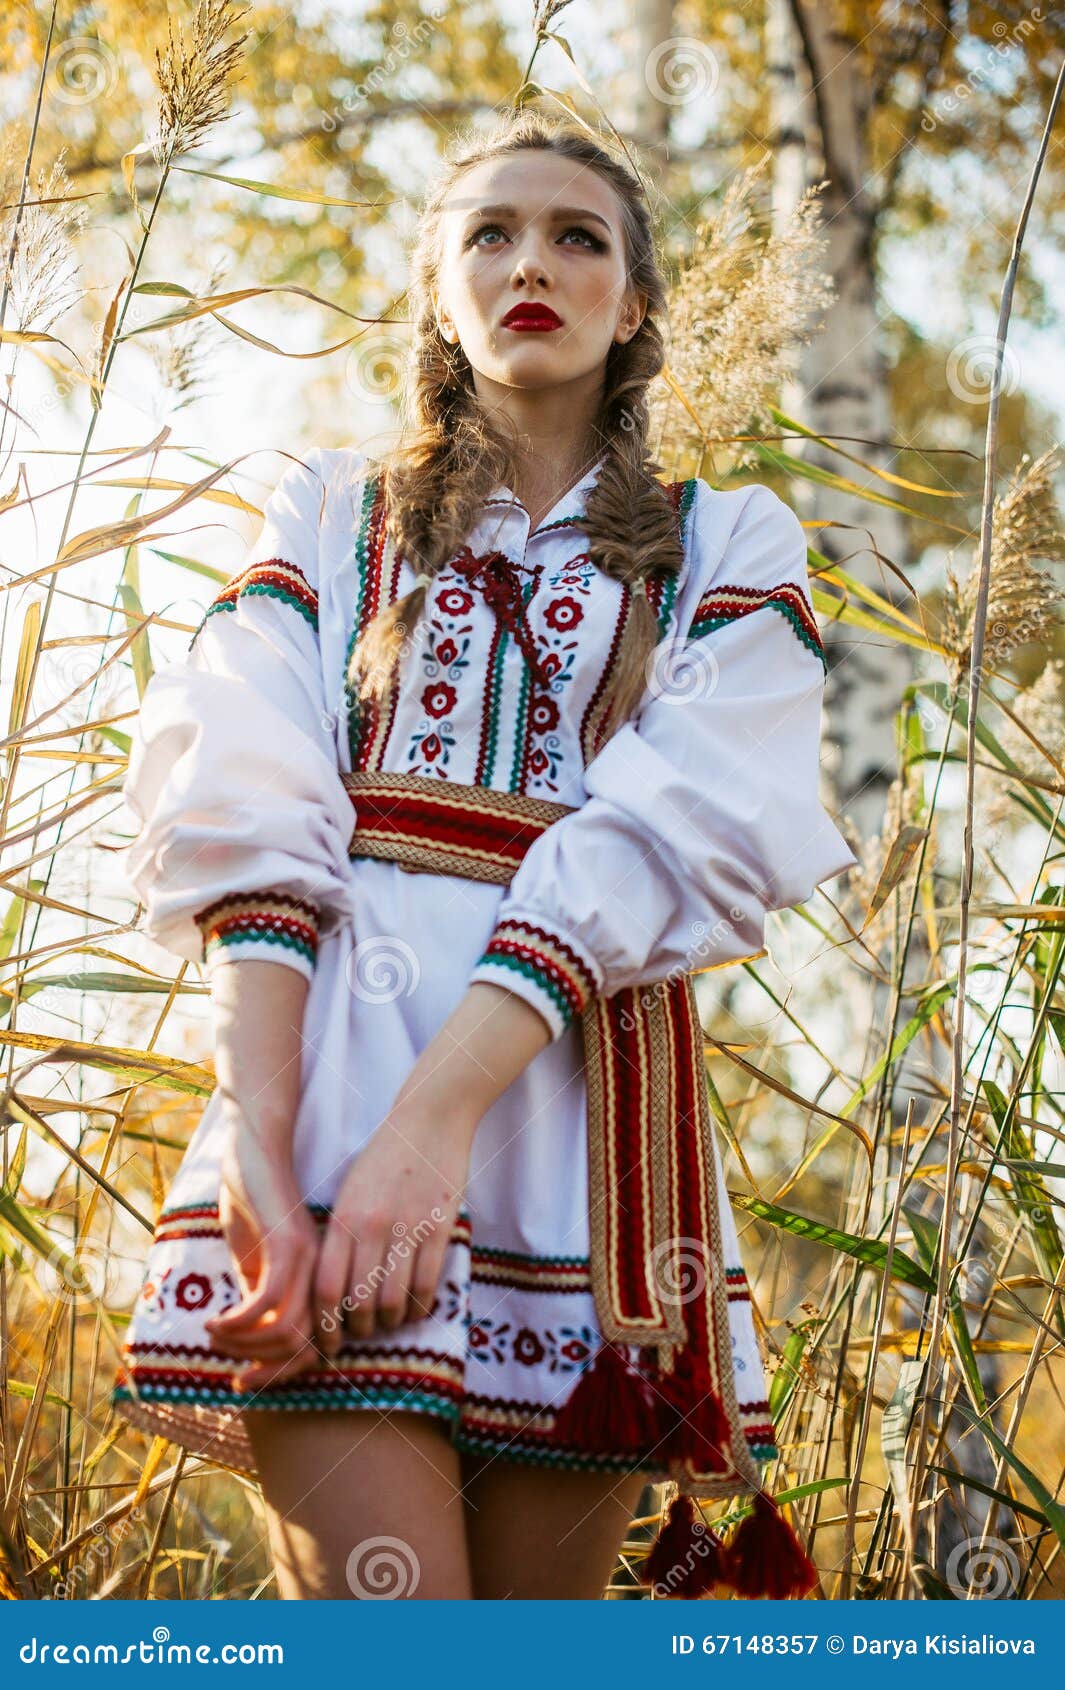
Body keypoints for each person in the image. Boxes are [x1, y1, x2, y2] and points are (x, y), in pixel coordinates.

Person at [110, 106, 857, 1602]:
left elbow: (674, 833)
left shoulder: (730, 543)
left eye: (580, 236)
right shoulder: (329, 518)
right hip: (324, 1097)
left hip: (570, 1135)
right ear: (438, 297)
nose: (534, 261)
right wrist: (268, 1141)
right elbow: (252, 807)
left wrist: (431, 1128)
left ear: (633, 303)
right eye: (491, 234)